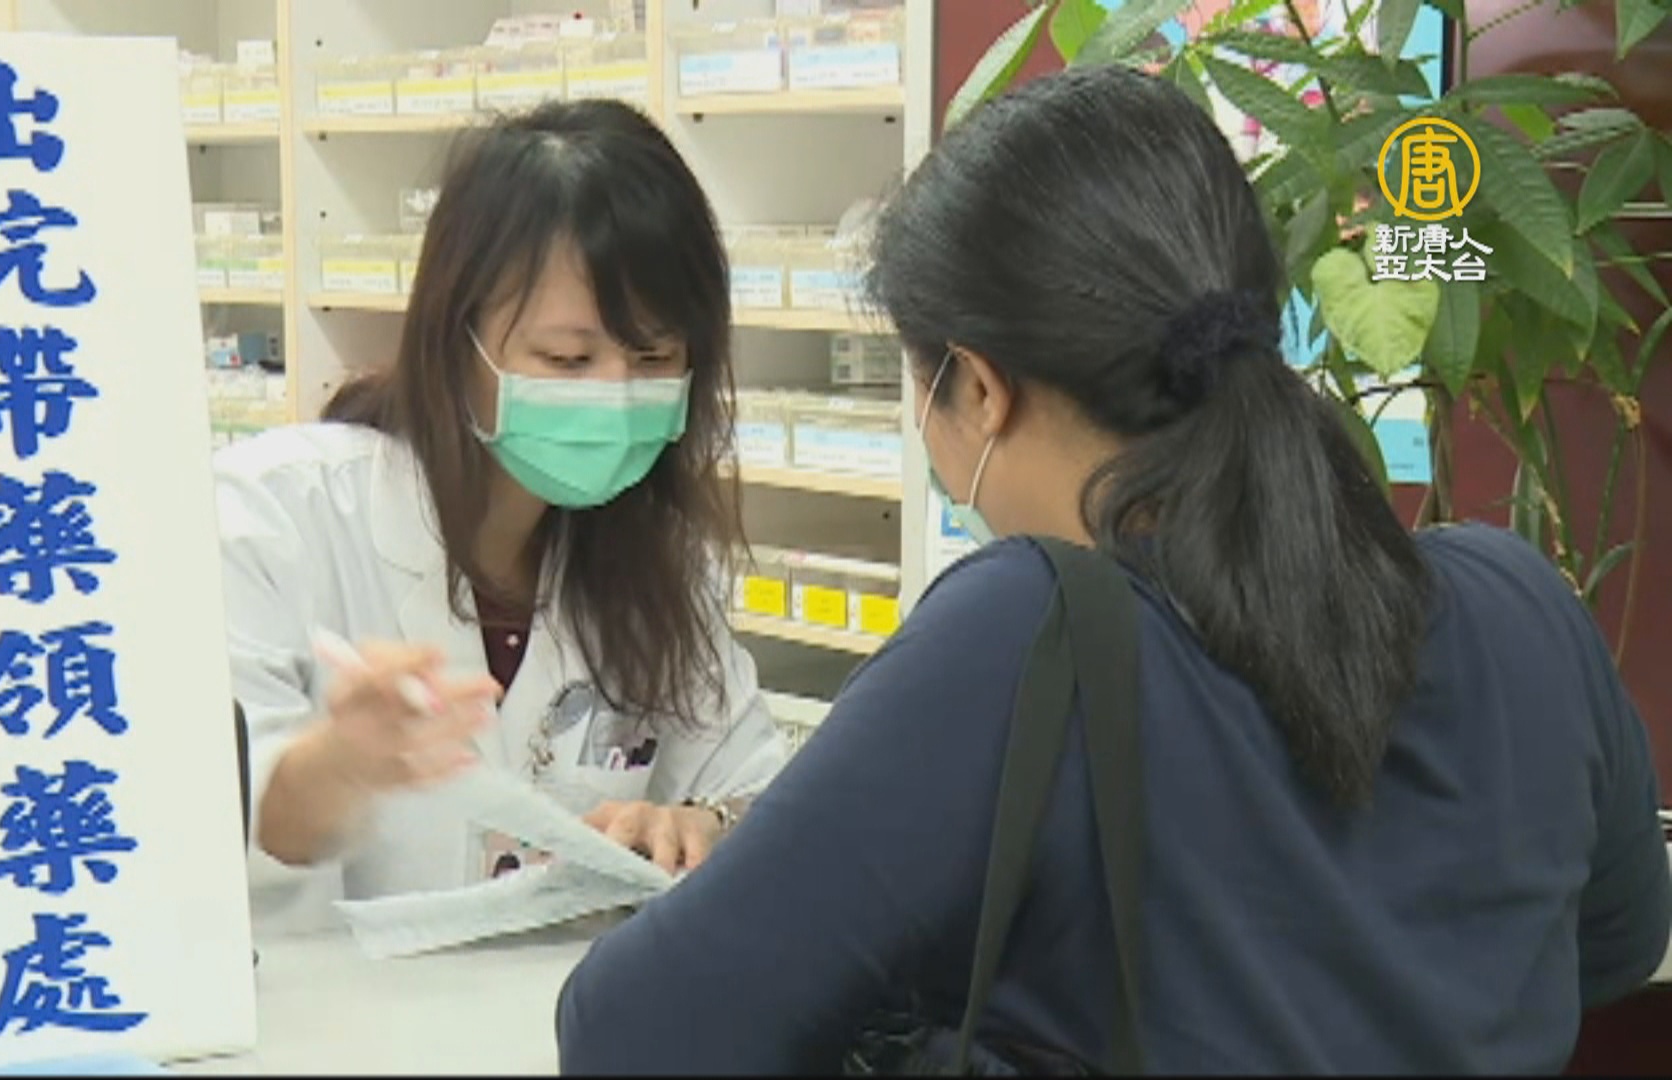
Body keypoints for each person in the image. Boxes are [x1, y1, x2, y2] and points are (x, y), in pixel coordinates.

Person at [554, 66, 1670, 1074]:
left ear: (977, 388)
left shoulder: (1028, 632)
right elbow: (1618, 943)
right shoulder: (1520, 600)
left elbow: (635, 1030)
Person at [215, 98, 786, 937]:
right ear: (457, 343)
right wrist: (342, 763)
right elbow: (226, 820)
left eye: (654, 356)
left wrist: (706, 823)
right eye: (568, 358)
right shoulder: (271, 517)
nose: (615, 393)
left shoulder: (660, 563)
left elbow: (768, 792)